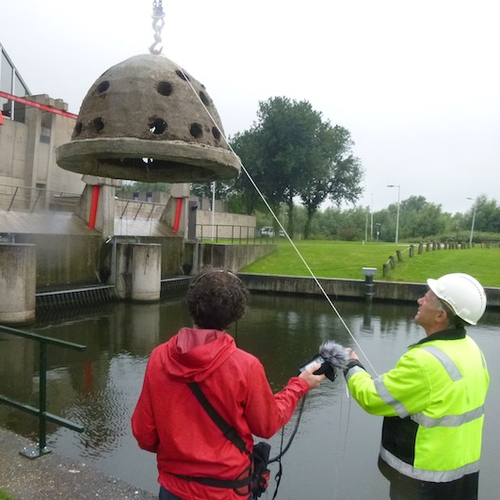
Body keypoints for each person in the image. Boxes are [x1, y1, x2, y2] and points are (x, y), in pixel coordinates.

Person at [131, 267, 325, 500]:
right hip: (227, 492)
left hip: (174, 489)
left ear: (191, 305)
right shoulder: (246, 366)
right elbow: (267, 424)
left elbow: (144, 435)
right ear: (236, 315)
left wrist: (181, 454)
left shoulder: (158, 358)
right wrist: (300, 386)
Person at [344, 273, 489, 500]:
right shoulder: (472, 349)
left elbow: (373, 398)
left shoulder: (423, 361)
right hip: (463, 478)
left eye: (427, 298)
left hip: (423, 484)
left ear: (441, 315)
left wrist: (351, 366)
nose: (419, 301)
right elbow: (439, 395)